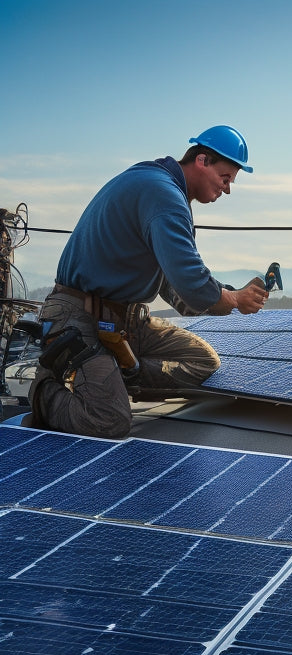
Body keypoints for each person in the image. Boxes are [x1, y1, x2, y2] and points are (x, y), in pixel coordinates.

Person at [27, 125, 269, 438]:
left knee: (202, 361)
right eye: (225, 179)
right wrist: (232, 299)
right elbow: (192, 282)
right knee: (108, 421)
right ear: (202, 161)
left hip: (123, 321)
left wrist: (232, 296)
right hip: (78, 318)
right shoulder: (163, 194)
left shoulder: (160, 189)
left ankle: (118, 375)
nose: (227, 189)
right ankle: (44, 392)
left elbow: (177, 285)